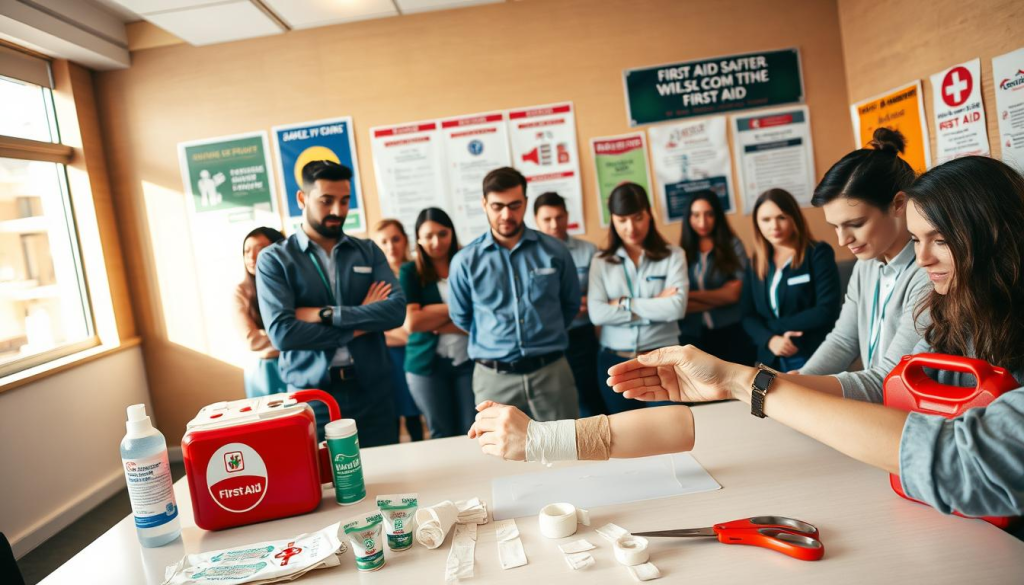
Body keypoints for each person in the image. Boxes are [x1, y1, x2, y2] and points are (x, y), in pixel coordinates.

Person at [606, 156, 1024, 531]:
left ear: (992, 234)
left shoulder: (932, 287)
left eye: (941, 240)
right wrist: (752, 381)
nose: (922, 257)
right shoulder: (948, 298)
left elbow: (959, 453)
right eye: (917, 241)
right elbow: (849, 344)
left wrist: (750, 386)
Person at [256, 160, 406, 446]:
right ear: (302, 198)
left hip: (373, 391)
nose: (338, 211)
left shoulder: (368, 251)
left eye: (344, 200)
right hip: (312, 398)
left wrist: (325, 314)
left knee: (389, 480)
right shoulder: (274, 259)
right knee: (323, 485)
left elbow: (395, 312)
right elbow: (284, 334)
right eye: (326, 201)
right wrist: (360, 322)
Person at [793, 128, 932, 402]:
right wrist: (799, 379)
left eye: (855, 225)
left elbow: (887, 378)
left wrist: (792, 387)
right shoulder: (866, 265)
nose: (842, 240)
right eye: (835, 227)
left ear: (899, 204)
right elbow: (843, 341)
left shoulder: (928, 274)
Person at [448, 167, 581, 421]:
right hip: (493, 379)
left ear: (526, 203)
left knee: (565, 453)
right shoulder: (465, 261)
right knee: (499, 457)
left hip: (551, 373)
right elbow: (461, 316)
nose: (506, 215)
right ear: (484, 204)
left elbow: (570, 303)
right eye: (497, 206)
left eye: (514, 205)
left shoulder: (555, 250)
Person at [588, 182, 688, 414]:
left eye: (637, 217)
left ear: (649, 214)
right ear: (612, 220)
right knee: (626, 437)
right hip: (614, 362)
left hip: (663, 360)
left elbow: (676, 308)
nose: (631, 227)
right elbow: (597, 314)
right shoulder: (601, 261)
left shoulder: (673, 256)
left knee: (670, 432)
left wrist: (624, 303)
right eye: (622, 220)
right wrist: (655, 307)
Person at [740, 188, 841, 371]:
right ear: (757, 223)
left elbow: (827, 309)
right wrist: (770, 339)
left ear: (794, 217)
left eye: (781, 217)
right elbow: (747, 315)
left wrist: (773, 327)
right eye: (766, 220)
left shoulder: (817, 253)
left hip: (811, 354)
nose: (774, 226)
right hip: (771, 357)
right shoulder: (755, 263)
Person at [400, 208, 476, 438]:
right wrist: (461, 309)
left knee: (471, 429)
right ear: (419, 239)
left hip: (468, 361)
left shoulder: (468, 262)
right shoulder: (410, 271)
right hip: (425, 365)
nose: (436, 242)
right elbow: (412, 322)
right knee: (441, 432)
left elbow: (479, 320)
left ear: (452, 233)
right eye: (429, 236)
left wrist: (433, 317)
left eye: (442, 233)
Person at [533, 191, 606, 418]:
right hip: (547, 340)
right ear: (535, 220)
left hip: (582, 337)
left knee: (590, 402)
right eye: (547, 219)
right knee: (554, 407)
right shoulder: (529, 254)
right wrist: (573, 304)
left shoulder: (588, 250)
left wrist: (563, 306)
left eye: (559, 217)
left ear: (567, 216)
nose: (554, 224)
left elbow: (599, 297)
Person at [677, 190, 754, 365]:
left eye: (709, 214)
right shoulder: (680, 252)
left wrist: (689, 295)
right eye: (696, 215)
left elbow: (734, 295)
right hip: (693, 336)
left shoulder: (733, 245)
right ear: (688, 218)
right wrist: (720, 296)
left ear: (717, 216)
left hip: (732, 332)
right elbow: (679, 304)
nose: (702, 222)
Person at [373, 218, 424, 442]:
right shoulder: (373, 281)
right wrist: (406, 334)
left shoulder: (418, 273)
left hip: (418, 354)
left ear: (405, 240)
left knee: (415, 415)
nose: (390, 246)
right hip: (386, 357)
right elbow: (372, 327)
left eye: (395, 239)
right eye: (383, 242)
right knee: (390, 414)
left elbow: (420, 323)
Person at [234, 226, 287, 398]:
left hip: (298, 364)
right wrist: (290, 333)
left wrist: (271, 334)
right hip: (264, 371)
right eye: (246, 251)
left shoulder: (292, 286)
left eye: (260, 249)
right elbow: (251, 339)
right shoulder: (241, 291)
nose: (251, 257)